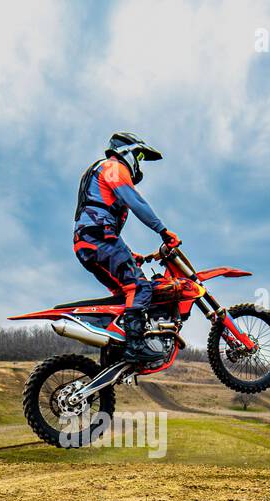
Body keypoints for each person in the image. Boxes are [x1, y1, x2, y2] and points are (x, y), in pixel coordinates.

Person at [73, 132, 180, 365]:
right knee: (141, 288)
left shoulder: (97, 172)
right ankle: (135, 347)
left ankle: (116, 347)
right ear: (127, 151)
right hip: (100, 239)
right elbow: (136, 201)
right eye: (139, 155)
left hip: (87, 243)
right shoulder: (113, 167)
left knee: (124, 294)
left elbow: (98, 219)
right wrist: (162, 230)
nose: (139, 162)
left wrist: (131, 256)